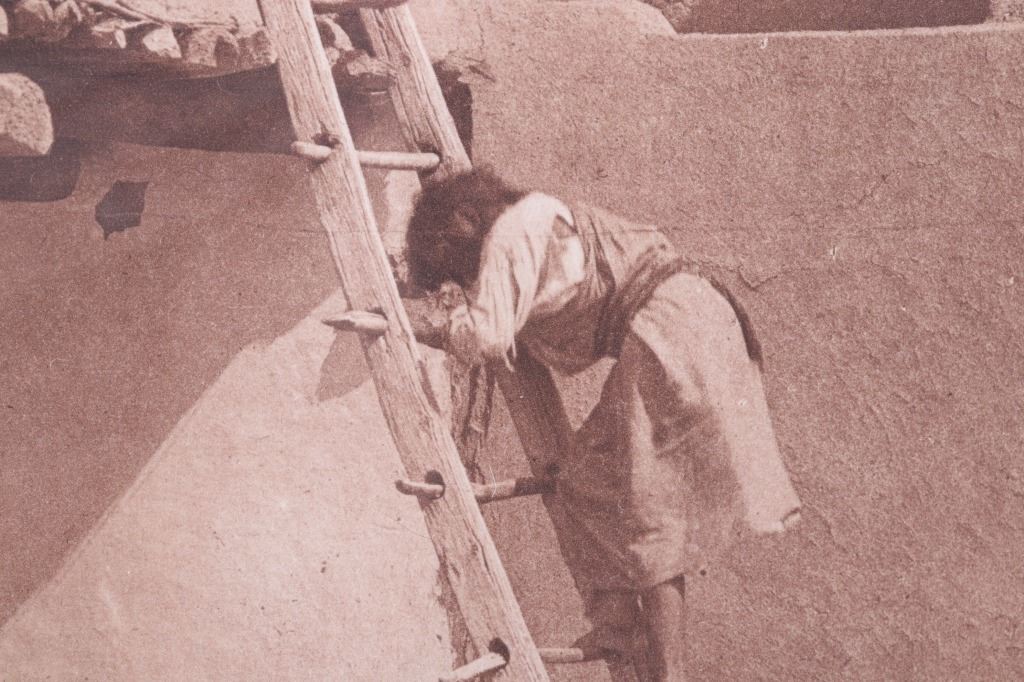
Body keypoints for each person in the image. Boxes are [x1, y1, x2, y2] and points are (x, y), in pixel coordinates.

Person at [405, 168, 801, 681]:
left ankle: (668, 671)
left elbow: (488, 337)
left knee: (648, 508)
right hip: (695, 318)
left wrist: (443, 322)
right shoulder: (541, 216)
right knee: (588, 479)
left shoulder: (509, 235)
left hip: (668, 330)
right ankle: (618, 625)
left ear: (464, 222)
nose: (463, 275)